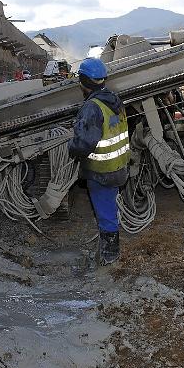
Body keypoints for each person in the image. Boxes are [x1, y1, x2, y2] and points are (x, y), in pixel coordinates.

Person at [67, 57, 129, 265]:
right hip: (118, 168)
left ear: (83, 81)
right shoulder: (115, 100)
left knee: (106, 215)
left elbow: (83, 145)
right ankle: (108, 249)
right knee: (109, 208)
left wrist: (71, 145)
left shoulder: (92, 108)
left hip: (101, 172)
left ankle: (110, 256)